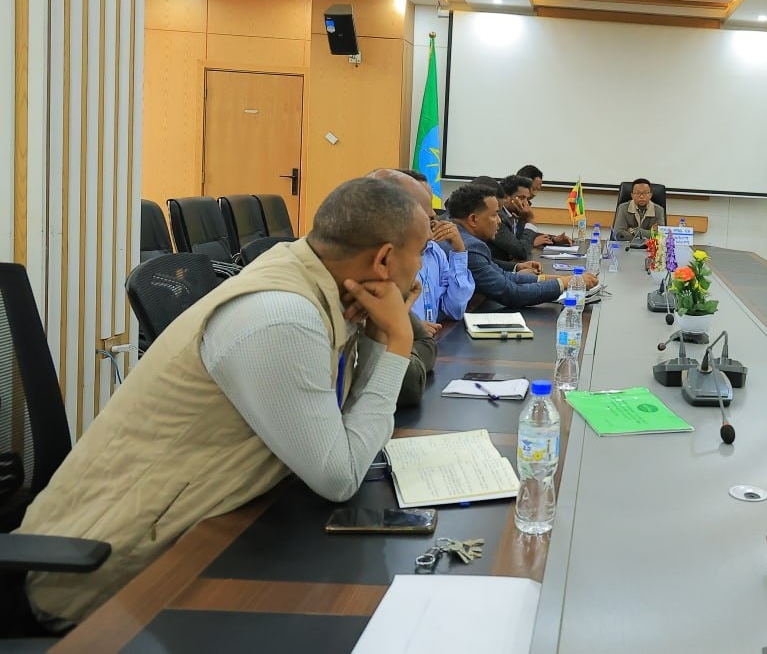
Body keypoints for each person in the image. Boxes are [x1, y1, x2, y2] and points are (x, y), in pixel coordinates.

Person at [17, 177, 430, 627]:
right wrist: (397, 343)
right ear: (384, 259)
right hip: (104, 582)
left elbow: (345, 432)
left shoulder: (310, 282)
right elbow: (340, 475)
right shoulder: (282, 316)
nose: (421, 269)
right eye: (421, 252)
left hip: (197, 540)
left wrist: (374, 335)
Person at [368, 169, 449, 408]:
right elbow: (408, 386)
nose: (421, 264)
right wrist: (398, 334)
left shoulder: (384, 284)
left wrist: (394, 334)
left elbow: (426, 344)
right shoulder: (301, 314)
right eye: (419, 252)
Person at [449, 183, 597, 308]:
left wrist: (561, 278)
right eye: (494, 215)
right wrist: (566, 282)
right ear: (473, 219)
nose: (499, 221)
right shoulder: (469, 246)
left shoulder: (463, 237)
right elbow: (512, 293)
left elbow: (504, 276)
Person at [394, 169, 475, 322]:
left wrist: (459, 251)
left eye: (430, 201)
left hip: (430, 336)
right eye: (423, 203)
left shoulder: (434, 250)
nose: (433, 213)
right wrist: (413, 327)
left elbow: (455, 310)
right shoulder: (387, 254)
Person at [514, 164, 570, 248]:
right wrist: (531, 243)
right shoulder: (508, 209)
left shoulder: (526, 205)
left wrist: (553, 239)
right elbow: (512, 242)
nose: (535, 194)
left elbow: (526, 232)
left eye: (538, 190)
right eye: (533, 189)